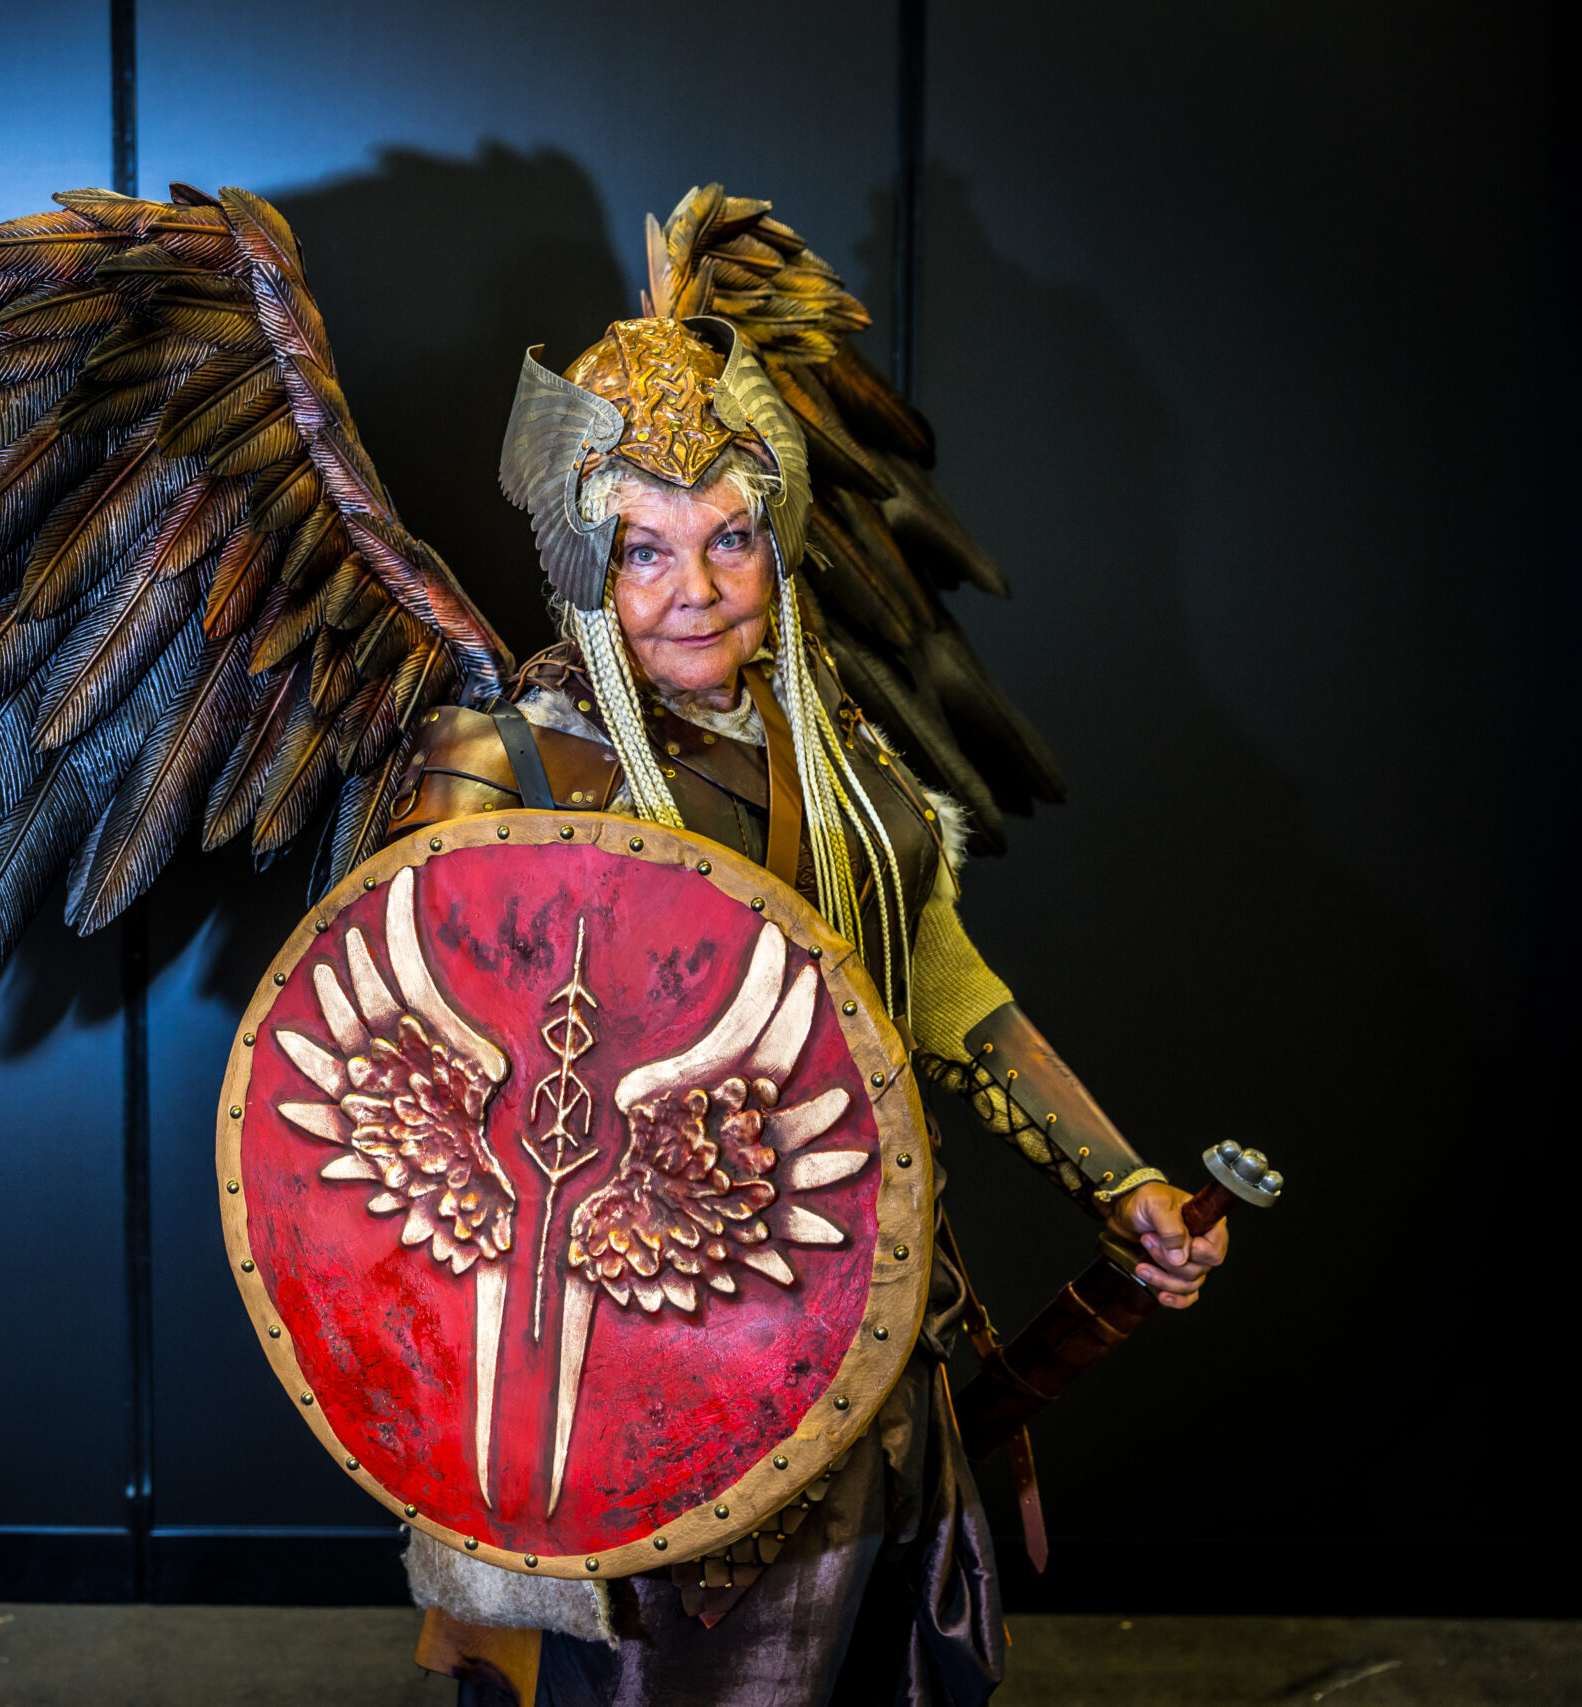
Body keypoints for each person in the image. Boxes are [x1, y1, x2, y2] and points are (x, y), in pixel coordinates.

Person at [388, 317, 1229, 1706]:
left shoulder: (828, 744)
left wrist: (1120, 1180)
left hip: (875, 1339)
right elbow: (421, 1106)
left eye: (730, 538)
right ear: (587, 569)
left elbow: (938, 986)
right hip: (637, 1401)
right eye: (646, 551)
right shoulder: (508, 772)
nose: (699, 589)